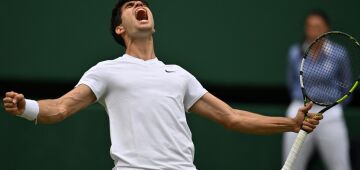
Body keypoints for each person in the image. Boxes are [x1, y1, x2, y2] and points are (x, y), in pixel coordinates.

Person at [3, 1, 322, 170]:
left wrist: (291, 124)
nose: (139, 4)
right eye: (130, 6)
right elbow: (60, 108)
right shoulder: (106, 71)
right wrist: (25, 107)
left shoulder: (179, 75)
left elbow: (231, 117)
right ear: (120, 28)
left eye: (142, 3)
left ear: (153, 23)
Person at [283, 9, 351, 170]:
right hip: (300, 110)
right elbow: (291, 82)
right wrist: (305, 103)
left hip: (330, 113)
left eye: (318, 26)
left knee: (340, 166)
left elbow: (346, 85)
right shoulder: (294, 53)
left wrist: (336, 107)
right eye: (310, 26)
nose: (314, 31)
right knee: (291, 165)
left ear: (327, 28)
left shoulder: (339, 53)